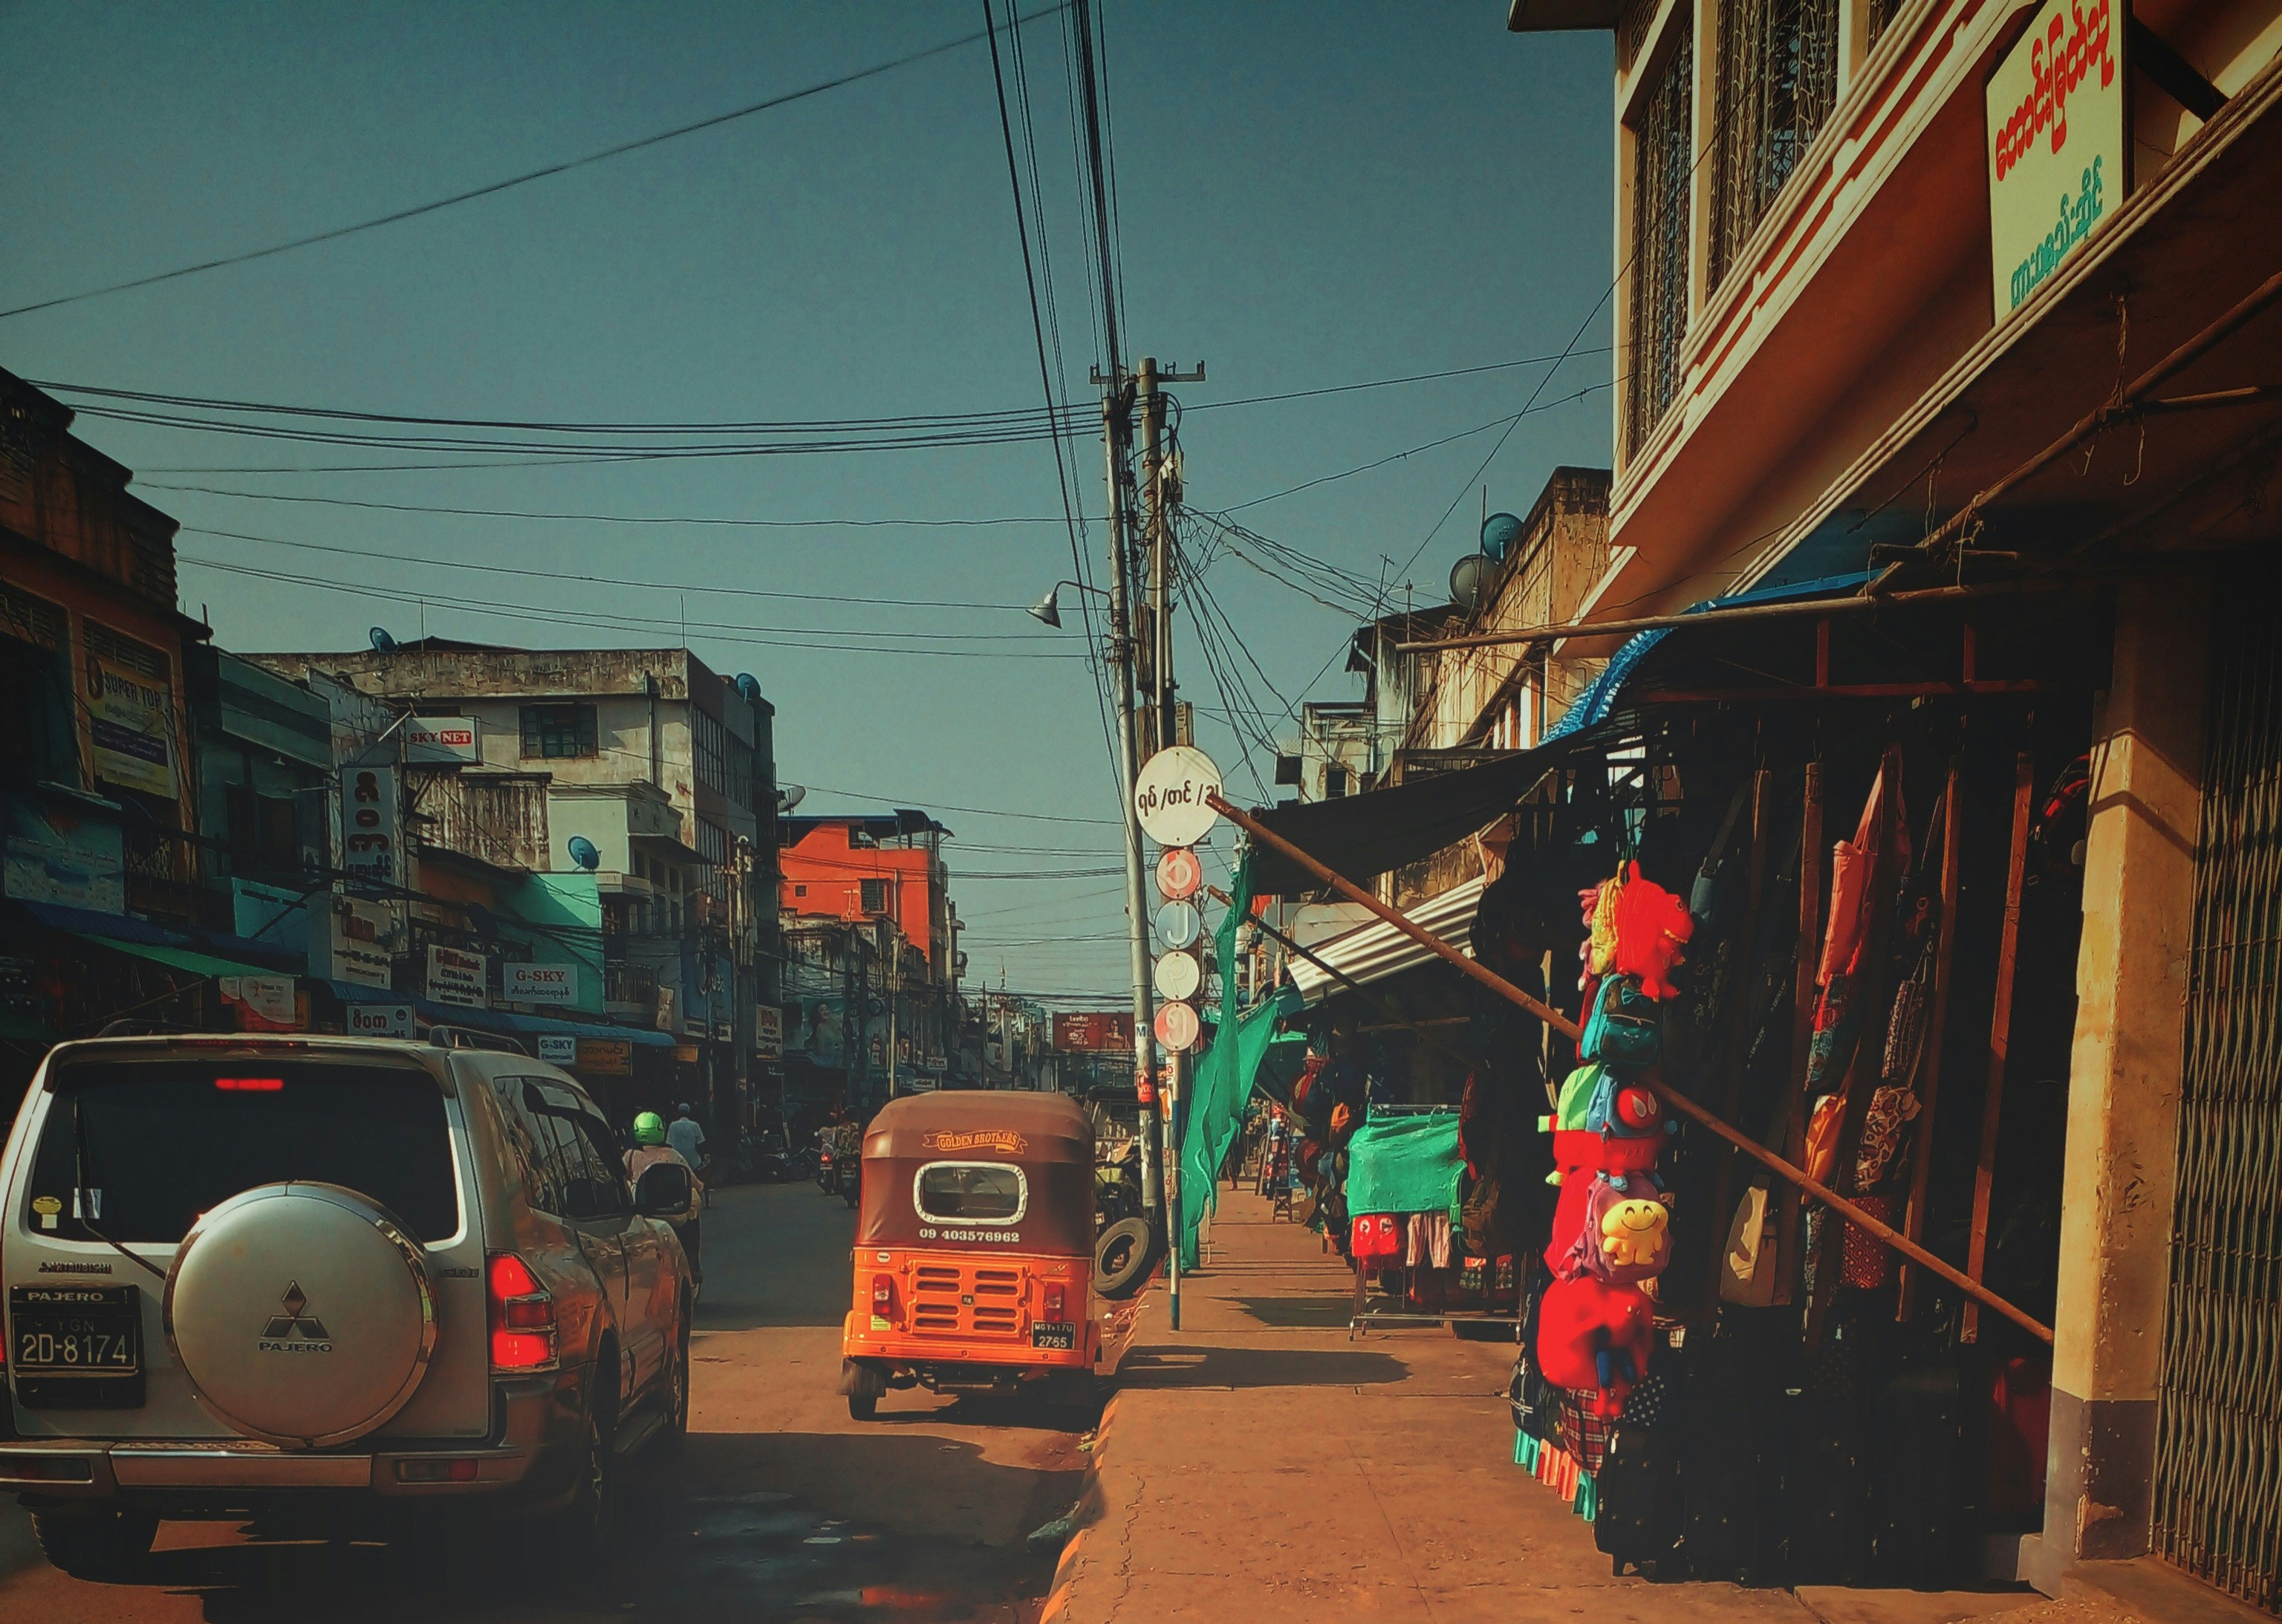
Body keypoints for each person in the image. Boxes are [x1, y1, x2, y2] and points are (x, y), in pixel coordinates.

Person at [625, 1111, 703, 1284]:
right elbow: (695, 1183)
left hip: (640, 1213)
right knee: (693, 1213)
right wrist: (701, 1185)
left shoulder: (629, 1156)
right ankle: (693, 1267)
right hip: (673, 1216)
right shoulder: (672, 1156)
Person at [666, 1102, 708, 1173]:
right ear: (689, 1113)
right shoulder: (695, 1126)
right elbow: (701, 1144)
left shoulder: (672, 1126)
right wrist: (703, 1158)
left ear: (679, 1113)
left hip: (677, 1161)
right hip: (694, 1163)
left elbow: (669, 1144)